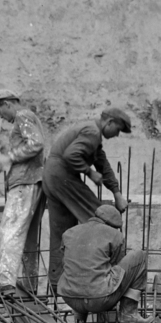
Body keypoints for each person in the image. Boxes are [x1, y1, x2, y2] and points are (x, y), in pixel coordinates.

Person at [41, 108, 133, 299]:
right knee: (101, 218)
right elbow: (71, 155)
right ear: (109, 123)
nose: (116, 135)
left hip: (51, 176)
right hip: (62, 176)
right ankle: (112, 280)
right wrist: (89, 173)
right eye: (117, 129)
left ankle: (58, 287)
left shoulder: (92, 136)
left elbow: (103, 165)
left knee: (61, 233)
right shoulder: (92, 132)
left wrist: (117, 194)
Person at [0, 89, 47, 295]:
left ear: (8, 103)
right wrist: (5, 150)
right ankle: (28, 282)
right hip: (32, 181)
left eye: (0, 109)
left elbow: (36, 143)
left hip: (25, 183)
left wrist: (10, 157)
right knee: (27, 235)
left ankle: (5, 282)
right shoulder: (21, 121)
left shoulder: (22, 116)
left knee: (10, 230)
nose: (0, 115)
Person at [59, 204, 148, 323]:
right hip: (100, 300)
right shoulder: (114, 234)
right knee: (140, 256)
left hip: (69, 298)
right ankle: (128, 313)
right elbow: (117, 268)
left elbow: (67, 263)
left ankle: (80, 314)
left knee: (78, 264)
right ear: (112, 225)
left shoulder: (69, 232)